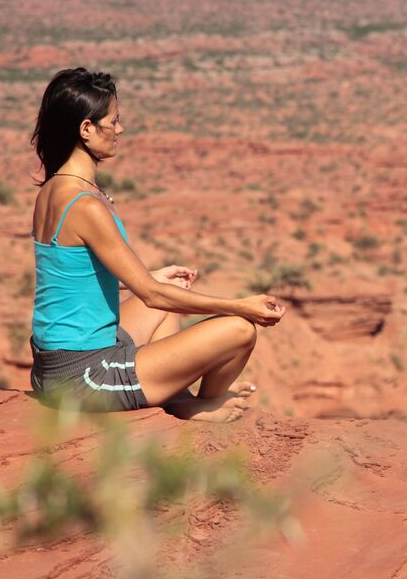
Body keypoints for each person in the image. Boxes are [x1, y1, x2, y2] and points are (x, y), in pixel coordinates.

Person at [27, 67, 284, 422]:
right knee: (239, 330)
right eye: (112, 122)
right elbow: (152, 296)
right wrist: (241, 306)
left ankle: (180, 399)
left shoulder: (55, 189)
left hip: (55, 364)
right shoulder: (84, 204)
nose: (120, 130)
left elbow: (75, 276)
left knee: (171, 287)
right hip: (82, 376)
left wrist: (153, 276)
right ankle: (204, 408)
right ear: (86, 130)